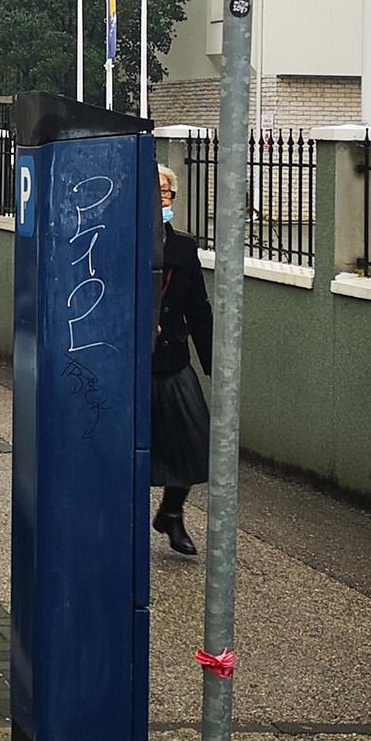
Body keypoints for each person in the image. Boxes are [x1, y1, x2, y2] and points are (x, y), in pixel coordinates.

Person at [151, 162, 211, 557]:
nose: (163, 197)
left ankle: (172, 511)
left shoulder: (185, 246)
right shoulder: (119, 240)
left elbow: (198, 308)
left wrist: (216, 365)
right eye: (155, 191)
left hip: (172, 359)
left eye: (168, 191)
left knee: (196, 440)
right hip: (129, 364)